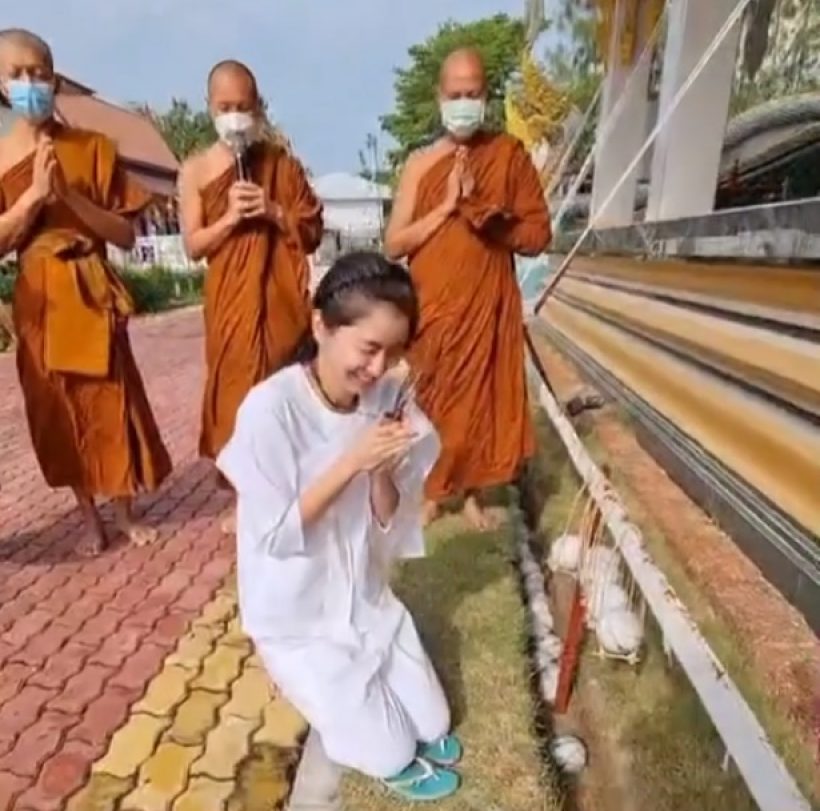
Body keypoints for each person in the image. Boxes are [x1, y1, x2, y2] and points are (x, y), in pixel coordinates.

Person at [217, 252, 462, 808]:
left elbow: (385, 517)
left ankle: (369, 690)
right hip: (298, 615)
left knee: (436, 720)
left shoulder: (382, 400)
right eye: (368, 348)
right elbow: (276, 537)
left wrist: (379, 471)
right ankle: (321, 691)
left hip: (362, 596)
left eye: (394, 352)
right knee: (393, 750)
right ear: (321, 325)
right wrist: (352, 461)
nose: (378, 369)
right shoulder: (270, 409)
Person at [0, 28, 171, 554]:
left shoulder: (93, 149)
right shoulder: (3, 159)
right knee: (58, 406)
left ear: (54, 78)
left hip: (90, 288)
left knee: (109, 399)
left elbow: (123, 233)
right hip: (40, 298)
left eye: (40, 73)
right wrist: (32, 200)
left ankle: (123, 511)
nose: (31, 83)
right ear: (2, 85)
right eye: (17, 74)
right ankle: (87, 516)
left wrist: (70, 196)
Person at [385, 47, 551, 530]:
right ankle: (432, 494)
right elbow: (395, 244)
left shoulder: (508, 157)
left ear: (486, 96)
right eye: (455, 94)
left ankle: (473, 494)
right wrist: (448, 207)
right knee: (431, 397)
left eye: (473, 93)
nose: (464, 103)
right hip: (433, 305)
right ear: (440, 97)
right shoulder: (420, 164)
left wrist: (490, 219)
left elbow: (539, 235)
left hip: (486, 303)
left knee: (478, 399)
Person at [179, 59, 323, 533]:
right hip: (231, 307)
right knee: (236, 400)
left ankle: (291, 493)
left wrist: (274, 210)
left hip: (281, 307)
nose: (235, 117)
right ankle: (245, 498)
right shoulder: (195, 169)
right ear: (209, 108)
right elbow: (193, 244)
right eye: (225, 107)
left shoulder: (280, 166)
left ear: (258, 107)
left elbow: (312, 229)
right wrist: (230, 220)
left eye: (244, 107)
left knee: (284, 393)